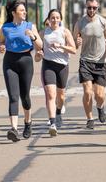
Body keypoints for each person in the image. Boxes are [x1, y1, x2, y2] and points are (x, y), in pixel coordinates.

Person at [0, 0, 43, 142]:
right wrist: (1, 47)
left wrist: (33, 36)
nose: (24, 12)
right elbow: (1, 42)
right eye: (21, 10)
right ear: (13, 13)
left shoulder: (30, 26)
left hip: (26, 61)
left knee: (25, 96)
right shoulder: (5, 27)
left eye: (25, 10)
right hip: (9, 61)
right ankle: (14, 129)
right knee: (13, 96)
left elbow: (40, 46)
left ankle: (28, 123)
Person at [73, 0, 106, 130]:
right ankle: (89, 118)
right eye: (89, 7)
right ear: (86, 7)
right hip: (85, 62)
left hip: (101, 63)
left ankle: (100, 107)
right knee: (88, 92)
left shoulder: (103, 22)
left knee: (99, 95)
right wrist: (76, 42)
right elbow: (74, 42)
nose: (91, 10)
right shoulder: (80, 23)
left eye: (94, 8)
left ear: (98, 8)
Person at [35, 9, 76, 137]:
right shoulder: (43, 33)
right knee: (51, 95)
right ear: (48, 19)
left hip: (62, 66)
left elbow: (73, 50)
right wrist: (39, 54)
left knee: (61, 96)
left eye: (57, 17)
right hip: (48, 65)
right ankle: (52, 123)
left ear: (60, 19)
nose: (55, 20)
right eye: (52, 17)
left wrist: (61, 46)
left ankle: (58, 112)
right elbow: (37, 56)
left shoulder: (65, 32)